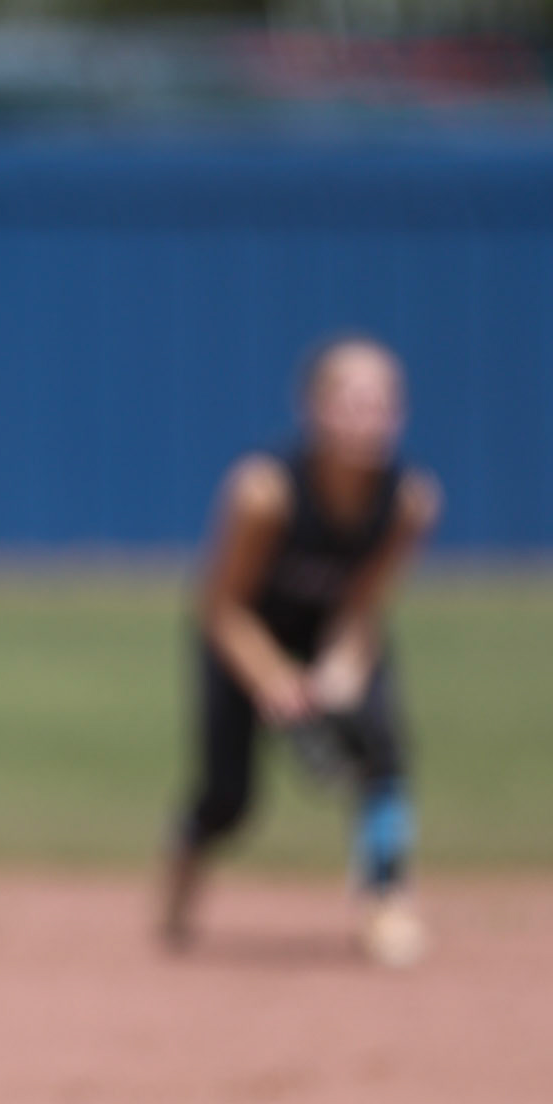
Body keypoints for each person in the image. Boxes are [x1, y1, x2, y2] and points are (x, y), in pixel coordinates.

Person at [162, 333, 440, 966]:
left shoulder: (410, 502)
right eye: (350, 400)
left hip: (331, 635)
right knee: (230, 800)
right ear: (314, 409)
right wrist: (273, 680)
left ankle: (387, 902)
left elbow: (364, 604)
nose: (368, 417)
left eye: (382, 402)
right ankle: (184, 859)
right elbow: (221, 606)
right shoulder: (266, 492)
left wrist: (341, 671)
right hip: (245, 637)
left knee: (383, 756)